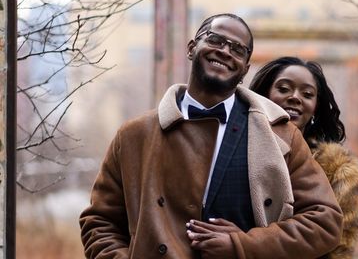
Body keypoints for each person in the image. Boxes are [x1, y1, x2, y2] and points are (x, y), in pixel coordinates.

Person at [79, 14, 343, 259]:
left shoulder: (282, 135)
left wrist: (243, 245)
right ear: (192, 47)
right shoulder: (134, 135)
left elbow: (325, 221)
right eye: (215, 39)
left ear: (245, 69)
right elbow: (100, 222)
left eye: (238, 49)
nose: (225, 51)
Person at [249, 56, 358, 259]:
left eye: (308, 94)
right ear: (265, 96)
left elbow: (339, 246)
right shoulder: (236, 147)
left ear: (315, 107)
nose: (295, 97)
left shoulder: (337, 168)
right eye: (284, 89)